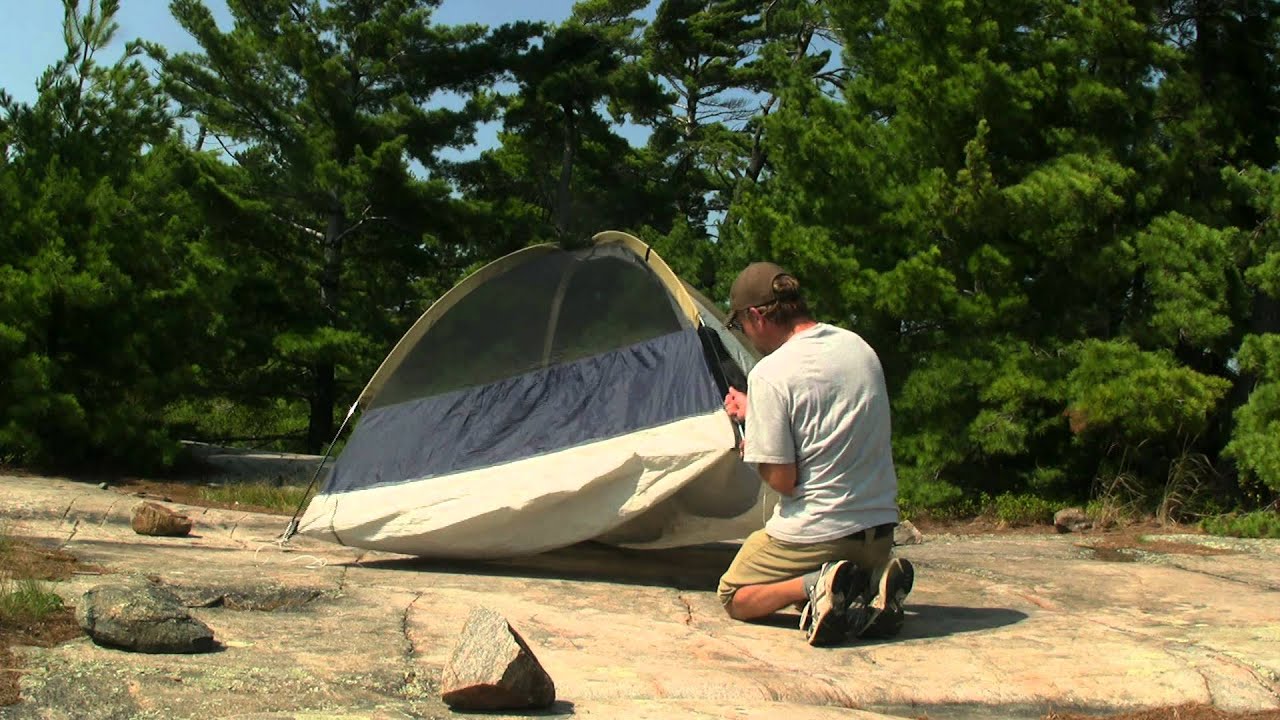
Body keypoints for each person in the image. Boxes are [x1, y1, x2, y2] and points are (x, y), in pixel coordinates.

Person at [717, 261, 914, 647]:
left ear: (756, 315)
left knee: (734, 595)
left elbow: (783, 482)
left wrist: (754, 446)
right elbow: (825, 417)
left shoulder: (770, 373)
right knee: (855, 561)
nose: (745, 334)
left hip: (821, 533)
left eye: (740, 324)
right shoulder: (859, 348)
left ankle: (816, 581)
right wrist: (758, 413)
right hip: (879, 531)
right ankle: (874, 581)